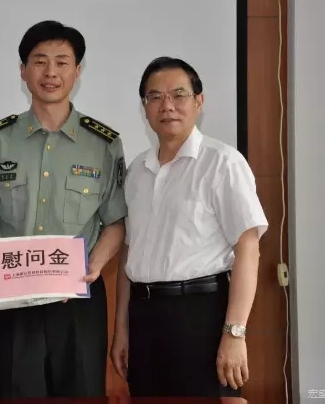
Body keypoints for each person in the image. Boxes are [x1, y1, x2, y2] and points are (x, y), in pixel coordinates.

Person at [0, 20, 127, 398]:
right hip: (14, 298)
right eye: (39, 61)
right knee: (17, 393)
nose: (50, 72)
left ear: (77, 71)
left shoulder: (103, 144)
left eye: (62, 62)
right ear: (23, 71)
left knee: (82, 394)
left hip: (79, 300)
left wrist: (93, 266)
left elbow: (116, 222)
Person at [110, 56, 268, 398]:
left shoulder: (222, 162)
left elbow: (248, 248)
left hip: (201, 315)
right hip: (144, 316)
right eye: (155, 97)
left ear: (199, 101)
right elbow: (128, 254)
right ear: (145, 108)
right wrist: (121, 329)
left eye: (178, 95)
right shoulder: (137, 171)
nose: (167, 106)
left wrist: (235, 332)